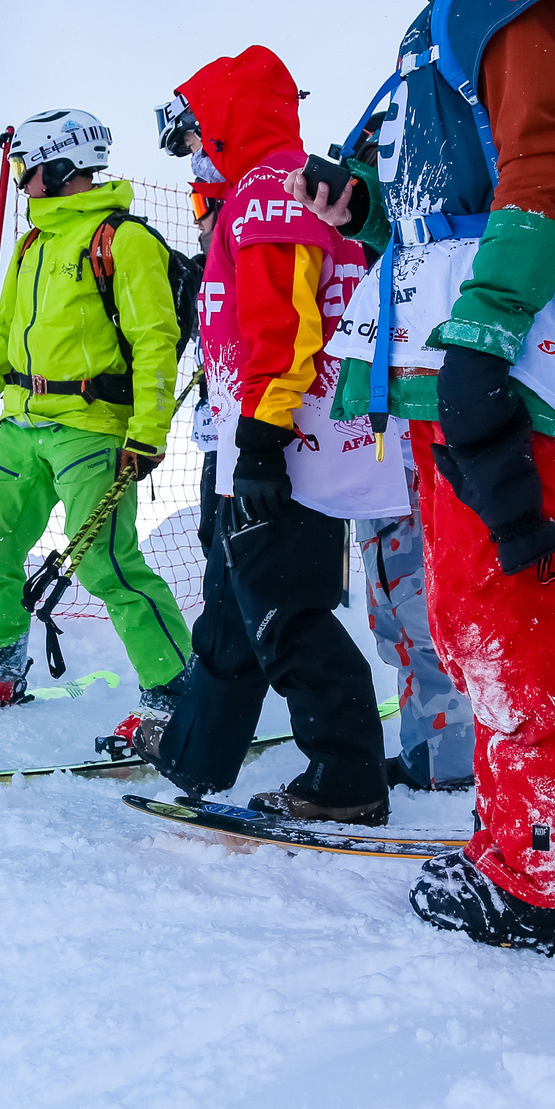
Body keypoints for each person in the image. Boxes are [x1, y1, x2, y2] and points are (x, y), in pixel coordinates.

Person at [303, 0, 555, 957]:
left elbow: (552, 154)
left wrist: (487, 331)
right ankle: (518, 838)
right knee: (470, 607)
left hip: (504, 335)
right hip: (463, 331)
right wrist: (367, 204)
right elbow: (468, 180)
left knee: (511, 605)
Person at [136, 49, 406, 821]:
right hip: (265, 435)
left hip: (282, 444)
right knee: (233, 603)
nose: (191, 157)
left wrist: (257, 443)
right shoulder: (278, 191)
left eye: (195, 137)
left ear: (226, 124)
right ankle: (198, 756)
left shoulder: (268, 194)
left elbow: (283, 328)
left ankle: (348, 777)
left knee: (283, 612)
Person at [0, 109, 191, 752]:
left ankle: (176, 696)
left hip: (92, 430)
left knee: (108, 565)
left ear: (60, 167)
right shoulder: (33, 246)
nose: (22, 183)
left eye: (28, 170)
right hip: (21, 424)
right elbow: (2, 338)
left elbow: (156, 342)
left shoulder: (124, 241)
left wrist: (148, 431)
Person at [357, 483, 474, 793]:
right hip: (388, 485)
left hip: (403, 483)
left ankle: (446, 759)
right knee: (401, 631)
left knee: (420, 632)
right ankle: (435, 752)